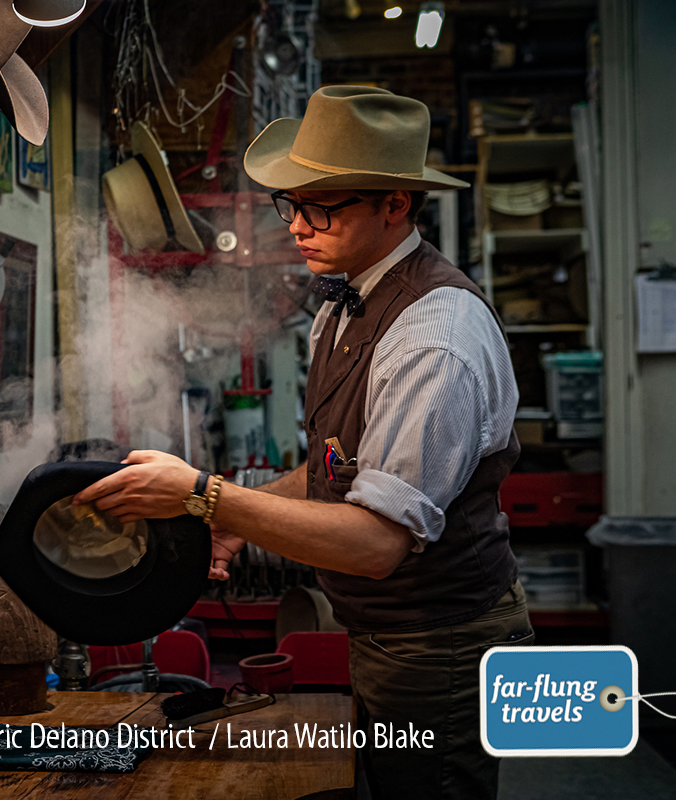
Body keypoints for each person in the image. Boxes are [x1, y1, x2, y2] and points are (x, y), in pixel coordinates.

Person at [73, 86, 534, 800]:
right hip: (382, 634)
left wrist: (203, 495)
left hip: (440, 642)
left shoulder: (433, 337)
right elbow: (334, 471)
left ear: (395, 205)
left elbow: (379, 542)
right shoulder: (342, 305)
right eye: (291, 202)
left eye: (325, 205)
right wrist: (230, 515)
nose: (298, 225)